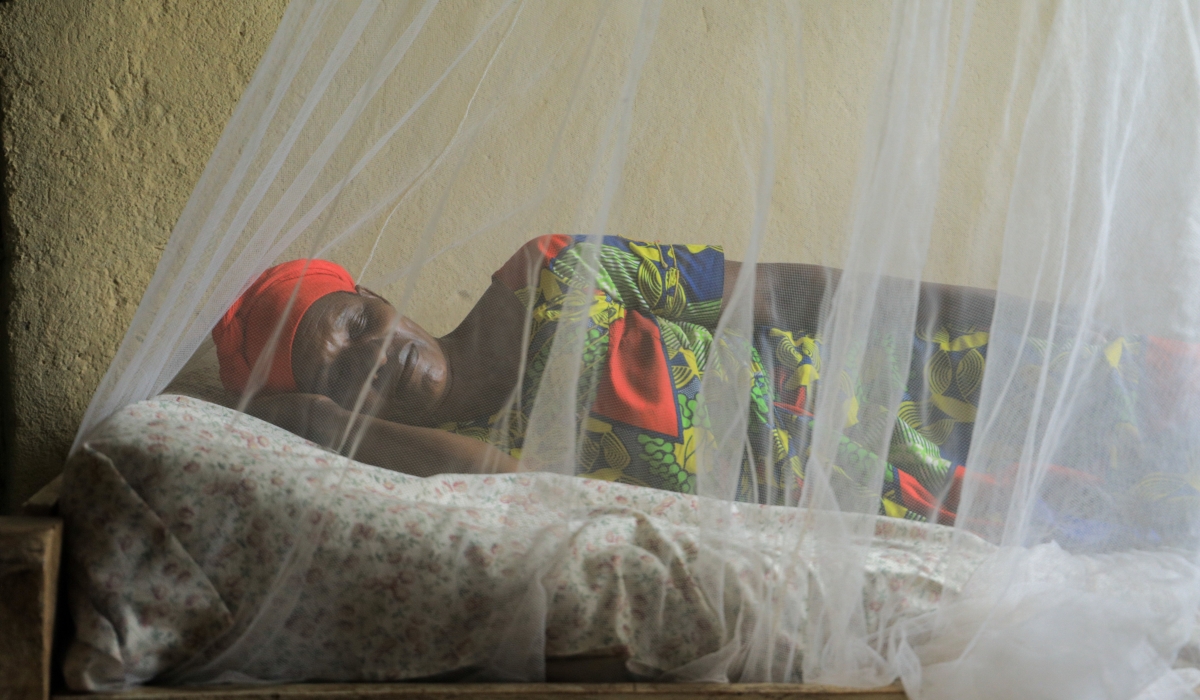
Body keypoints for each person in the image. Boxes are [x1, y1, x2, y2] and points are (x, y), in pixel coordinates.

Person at [213, 236, 978, 519]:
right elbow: (516, 484)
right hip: (844, 507)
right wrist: (316, 423)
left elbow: (782, 292)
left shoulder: (554, 272)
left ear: (375, 297)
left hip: (907, 398)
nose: (369, 354)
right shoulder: (450, 458)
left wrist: (980, 318)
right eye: (333, 371)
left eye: (349, 325)